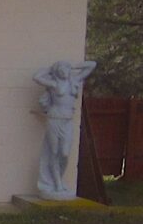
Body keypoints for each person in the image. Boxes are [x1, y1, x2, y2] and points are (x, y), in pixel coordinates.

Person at [32, 59, 97, 198]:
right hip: (54, 120)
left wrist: (73, 66)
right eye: (60, 69)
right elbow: (36, 77)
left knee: (65, 153)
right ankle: (57, 184)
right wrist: (51, 68)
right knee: (54, 152)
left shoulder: (74, 81)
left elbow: (92, 65)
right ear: (57, 71)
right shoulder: (54, 84)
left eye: (65, 69)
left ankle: (58, 181)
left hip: (67, 121)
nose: (63, 71)